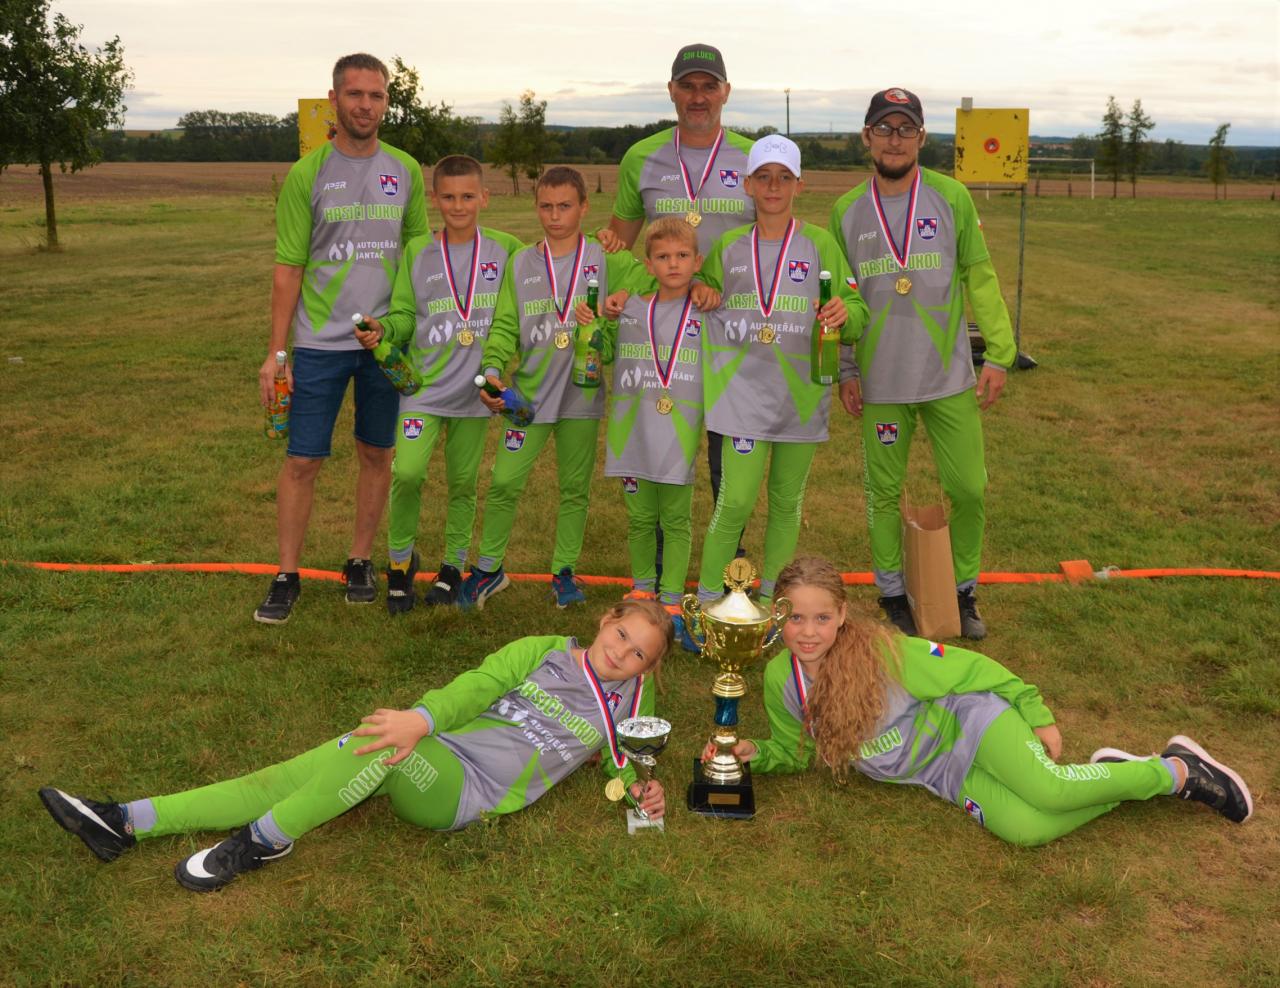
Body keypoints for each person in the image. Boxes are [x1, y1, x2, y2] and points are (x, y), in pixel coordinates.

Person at [40, 599, 671, 892]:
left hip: (466, 792)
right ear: (605, 620)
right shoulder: (540, 651)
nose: (622, 653)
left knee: (379, 750)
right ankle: (128, 820)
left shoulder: (632, 705)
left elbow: (626, 764)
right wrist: (422, 718)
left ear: (647, 668)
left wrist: (643, 793)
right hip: (440, 744)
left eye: (639, 654)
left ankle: (262, 841)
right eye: (622, 634)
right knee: (299, 771)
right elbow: (474, 687)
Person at [703, 556, 1252, 846]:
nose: (808, 632)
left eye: (822, 617)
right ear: (778, 617)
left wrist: (1037, 714)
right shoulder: (780, 678)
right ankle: (1114, 774)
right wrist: (754, 752)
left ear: (843, 615)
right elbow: (796, 751)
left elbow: (975, 669)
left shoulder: (885, 652)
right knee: (1028, 829)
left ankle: (1177, 771)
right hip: (943, 774)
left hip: (974, 726)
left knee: (1049, 790)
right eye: (796, 618)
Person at [829, 88, 1015, 640]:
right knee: (883, 494)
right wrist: (847, 370)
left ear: (921, 138)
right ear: (867, 137)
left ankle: (962, 591)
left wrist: (999, 353)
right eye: (884, 129)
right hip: (881, 381)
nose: (895, 140)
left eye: (905, 129)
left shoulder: (951, 197)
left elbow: (980, 276)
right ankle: (893, 594)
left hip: (947, 376)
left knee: (969, 488)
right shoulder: (846, 211)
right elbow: (841, 301)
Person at [253, 53, 429, 624]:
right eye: (355, 94)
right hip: (319, 345)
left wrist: (406, 327)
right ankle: (286, 574)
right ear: (334, 100)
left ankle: (359, 561)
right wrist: (277, 354)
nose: (365, 106)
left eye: (376, 95)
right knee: (302, 460)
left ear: (386, 102)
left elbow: (421, 257)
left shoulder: (405, 170)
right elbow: (288, 268)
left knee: (377, 453)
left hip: (384, 345)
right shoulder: (307, 174)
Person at [461, 167, 652, 610]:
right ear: (536, 207)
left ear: (584, 207)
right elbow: (505, 326)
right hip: (527, 398)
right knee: (504, 482)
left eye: (565, 206)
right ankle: (489, 569)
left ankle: (564, 571)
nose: (554, 215)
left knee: (574, 488)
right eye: (546, 206)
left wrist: (622, 298)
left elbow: (655, 280)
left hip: (581, 395)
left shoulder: (607, 257)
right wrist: (492, 368)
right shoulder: (521, 263)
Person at [599, 43, 757, 571]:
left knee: (726, 451)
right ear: (671, 91)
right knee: (664, 434)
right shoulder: (641, 157)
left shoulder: (752, 157)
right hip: (663, 334)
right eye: (687, 86)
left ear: (726, 92)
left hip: (730, 327)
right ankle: (665, 557)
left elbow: (769, 242)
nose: (698, 96)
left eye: (709, 86)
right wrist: (618, 294)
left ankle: (730, 561)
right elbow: (620, 248)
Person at [695, 136, 866, 603]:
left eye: (784, 177)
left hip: (800, 396)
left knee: (787, 504)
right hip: (741, 395)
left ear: (799, 185)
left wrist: (845, 314)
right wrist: (701, 290)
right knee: (735, 501)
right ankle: (706, 606)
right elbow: (703, 288)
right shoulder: (729, 246)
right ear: (747, 185)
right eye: (764, 177)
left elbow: (857, 310)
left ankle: (773, 605)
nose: (774, 186)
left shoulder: (820, 244)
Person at [353, 155, 522, 613]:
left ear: (485, 197)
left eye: (468, 196)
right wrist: (384, 329)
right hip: (424, 389)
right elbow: (406, 315)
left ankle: (452, 567)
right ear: (434, 199)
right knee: (407, 472)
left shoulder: (506, 249)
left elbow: (543, 276)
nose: (458, 205)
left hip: (474, 392)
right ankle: (400, 563)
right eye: (448, 197)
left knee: (463, 481)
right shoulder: (418, 252)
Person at [588, 217, 713, 651]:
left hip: (679, 432)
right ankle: (643, 590)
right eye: (663, 257)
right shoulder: (630, 308)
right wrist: (597, 321)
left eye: (682, 256)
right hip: (633, 430)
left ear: (697, 262)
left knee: (676, 520)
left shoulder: (705, 311)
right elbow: (604, 349)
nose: (673, 264)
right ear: (648, 264)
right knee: (641, 518)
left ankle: (672, 600)